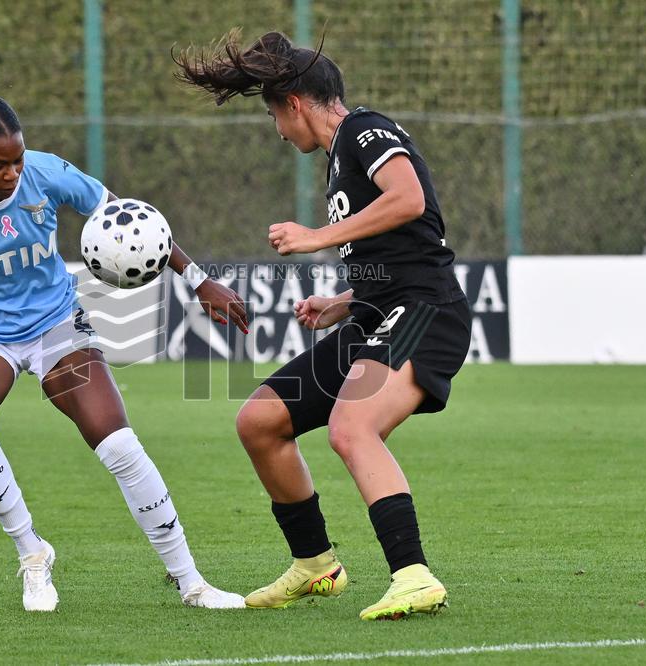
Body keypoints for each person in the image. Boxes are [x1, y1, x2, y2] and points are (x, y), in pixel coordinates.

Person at [0, 95, 249, 612]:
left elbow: (130, 221)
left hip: (55, 325)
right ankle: (32, 554)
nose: (11, 174)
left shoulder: (47, 173)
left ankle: (191, 583)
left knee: (119, 446)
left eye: (17, 160)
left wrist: (199, 280)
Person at [174, 31, 471, 620]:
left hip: (425, 311)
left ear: (295, 104)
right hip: (378, 311)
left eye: (272, 116)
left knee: (351, 425)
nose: (278, 132)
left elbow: (409, 199)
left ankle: (413, 575)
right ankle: (314, 564)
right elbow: (397, 246)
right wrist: (342, 300)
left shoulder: (364, 129)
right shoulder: (341, 157)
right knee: (260, 420)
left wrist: (316, 237)